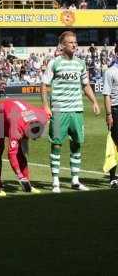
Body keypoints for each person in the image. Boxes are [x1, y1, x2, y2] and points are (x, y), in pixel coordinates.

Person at [41, 31, 100, 193]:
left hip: (76, 110)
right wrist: (46, 106)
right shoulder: (54, 63)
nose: (75, 45)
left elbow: (85, 85)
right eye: (71, 42)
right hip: (59, 110)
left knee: (77, 143)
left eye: (75, 42)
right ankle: (55, 182)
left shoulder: (80, 64)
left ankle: (75, 180)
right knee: (57, 144)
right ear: (62, 45)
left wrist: (94, 101)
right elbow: (44, 86)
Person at [0, 99, 49, 196]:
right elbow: (11, 154)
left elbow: (46, 110)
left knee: (22, 152)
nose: (34, 139)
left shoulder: (42, 116)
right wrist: (20, 176)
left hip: (15, 112)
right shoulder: (16, 129)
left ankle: (27, 183)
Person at [103, 45, 118, 188]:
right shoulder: (110, 71)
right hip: (115, 109)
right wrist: (108, 114)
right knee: (114, 143)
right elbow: (106, 94)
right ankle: (113, 177)